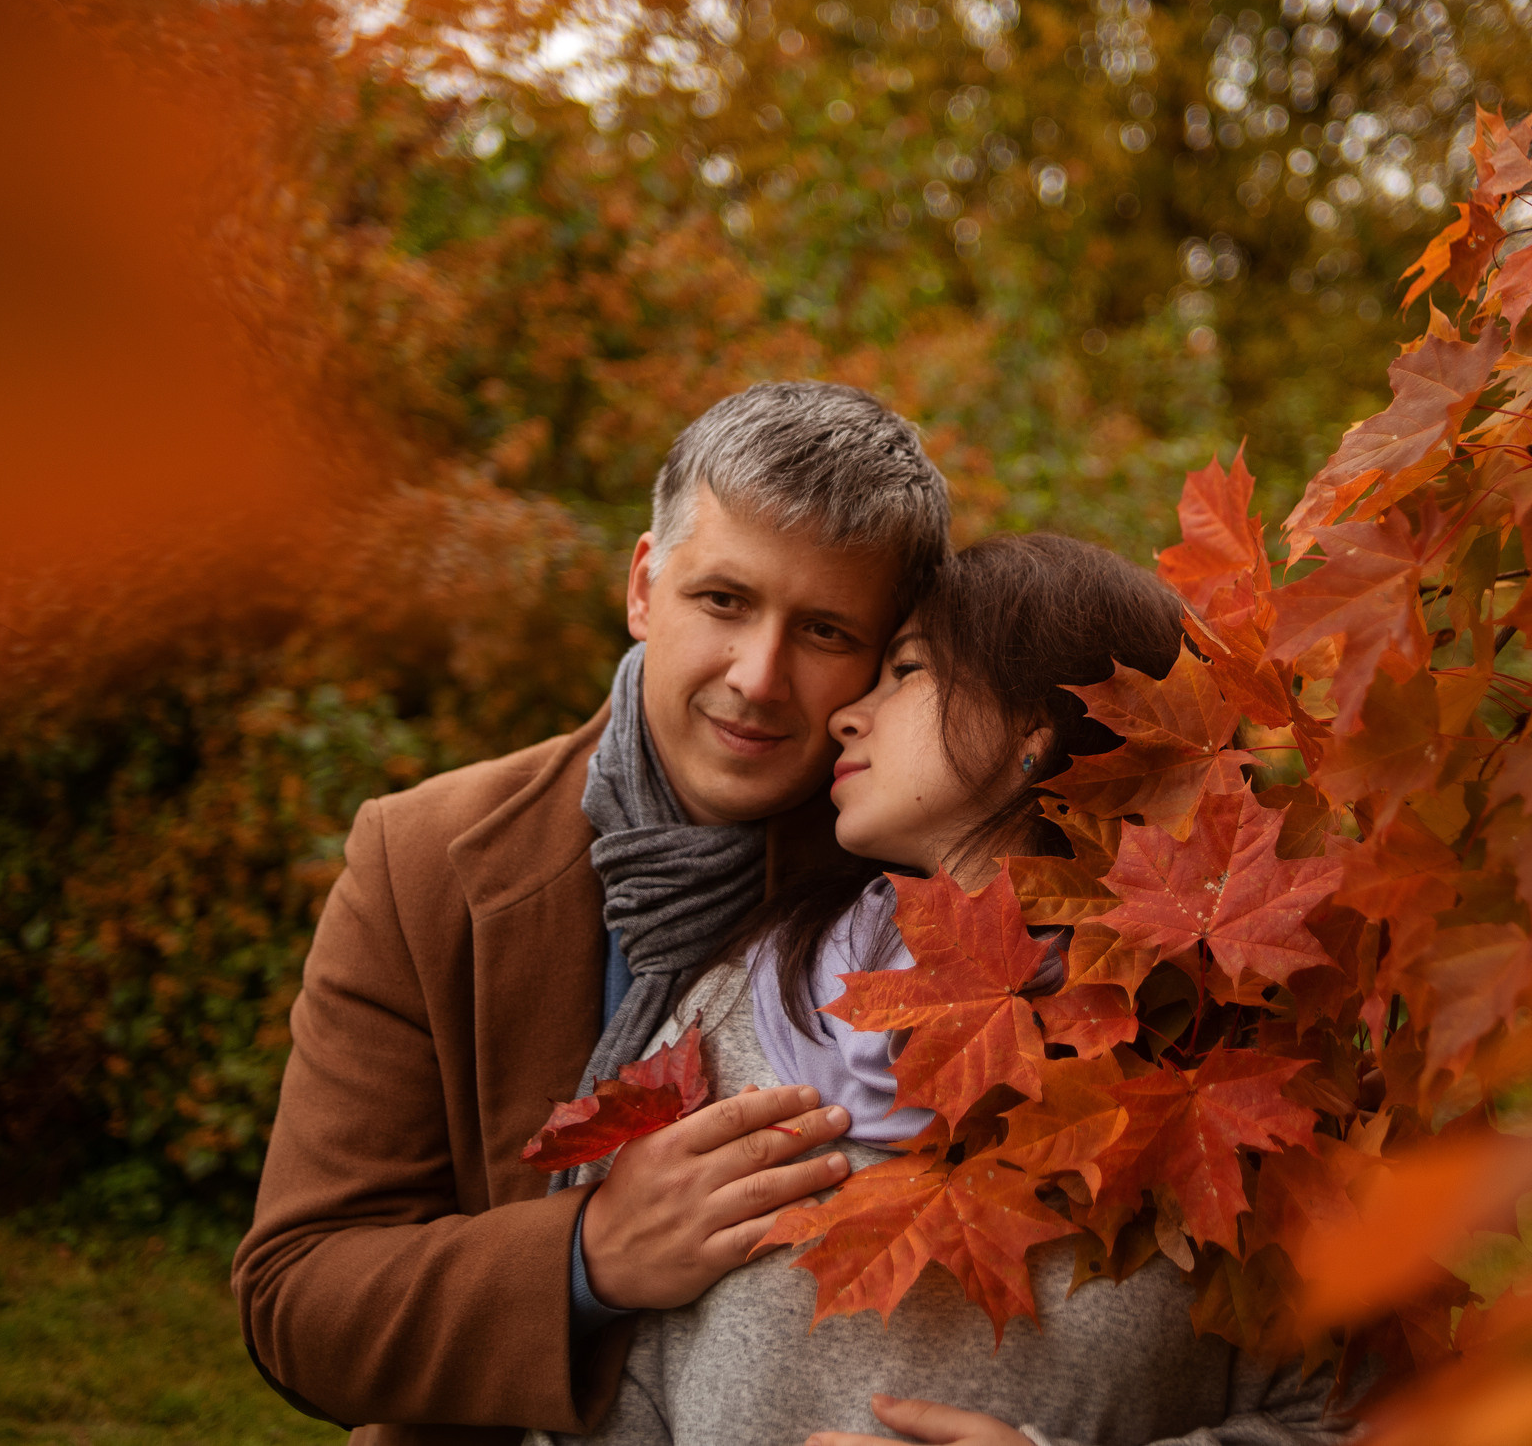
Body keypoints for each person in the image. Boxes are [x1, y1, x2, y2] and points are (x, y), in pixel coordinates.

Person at [233, 382, 952, 1446]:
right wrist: (590, 1253)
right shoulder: (425, 857)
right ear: (642, 587)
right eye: (721, 600)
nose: (756, 677)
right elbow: (297, 1296)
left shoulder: (934, 878)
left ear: (886, 655)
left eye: (823, 628)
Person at [534, 534, 1336, 1446]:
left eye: (905, 671)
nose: (847, 716)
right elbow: (602, 1396)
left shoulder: (1219, 1063)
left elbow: (1355, 1420)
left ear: (1036, 729)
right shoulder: (736, 1002)